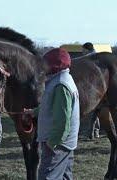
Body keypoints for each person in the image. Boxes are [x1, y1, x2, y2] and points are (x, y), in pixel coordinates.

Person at [26, 48, 80, 179]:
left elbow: (62, 121)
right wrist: (34, 112)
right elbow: (52, 106)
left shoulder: (61, 85)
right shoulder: (60, 80)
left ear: (55, 65)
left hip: (58, 144)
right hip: (64, 142)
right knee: (65, 176)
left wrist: (52, 143)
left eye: (46, 64)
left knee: (48, 176)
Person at [82, 42, 100, 139]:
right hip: (96, 87)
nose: (82, 52)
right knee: (96, 113)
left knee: (94, 112)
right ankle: (93, 133)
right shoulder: (96, 56)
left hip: (93, 88)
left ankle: (92, 133)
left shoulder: (89, 58)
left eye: (83, 50)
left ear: (87, 49)